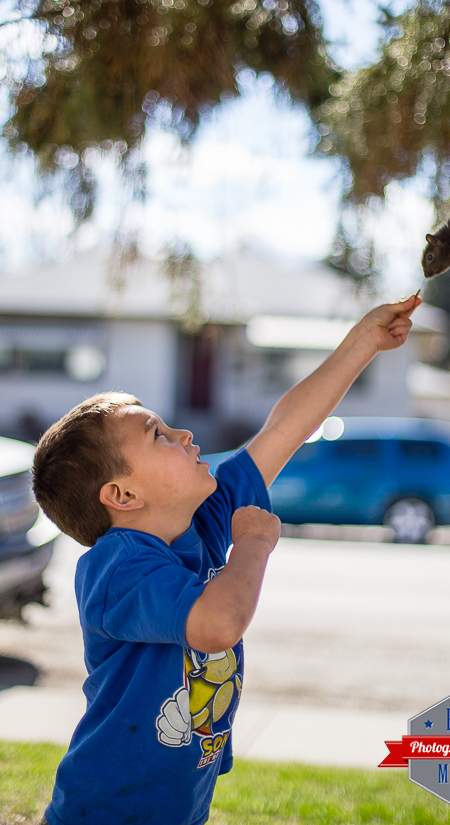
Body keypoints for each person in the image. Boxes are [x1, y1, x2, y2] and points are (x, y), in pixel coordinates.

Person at [33, 293, 421, 825]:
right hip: (104, 812)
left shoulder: (201, 522)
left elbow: (283, 430)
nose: (186, 435)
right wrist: (255, 547)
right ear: (122, 496)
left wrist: (363, 343)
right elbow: (217, 625)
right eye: (160, 437)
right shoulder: (116, 568)